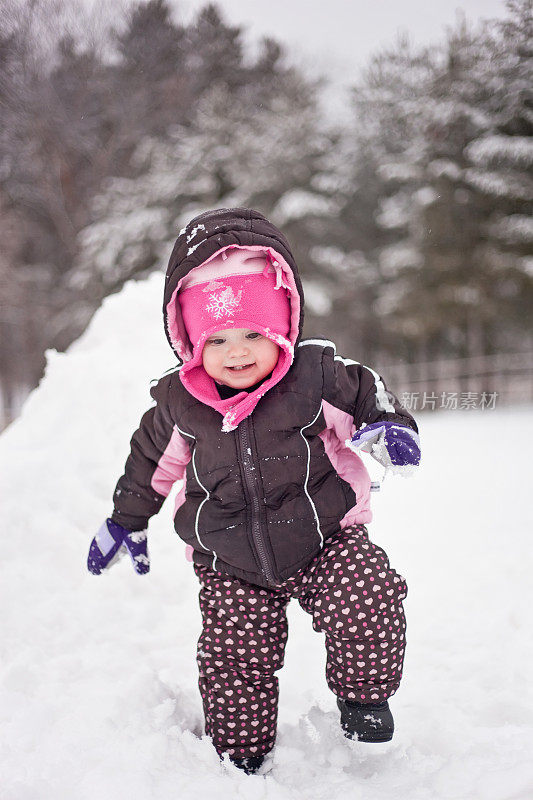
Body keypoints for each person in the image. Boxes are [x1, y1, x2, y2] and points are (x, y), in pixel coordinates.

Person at [87, 207, 420, 775]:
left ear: (283, 326)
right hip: (229, 559)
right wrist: (128, 518)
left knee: (369, 594)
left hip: (325, 538)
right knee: (232, 660)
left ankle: (363, 698)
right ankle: (239, 754)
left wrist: (388, 427)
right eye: (216, 338)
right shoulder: (179, 405)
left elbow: (369, 393)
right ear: (188, 338)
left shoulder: (315, 378)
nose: (236, 352)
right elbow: (150, 463)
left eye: (252, 334)